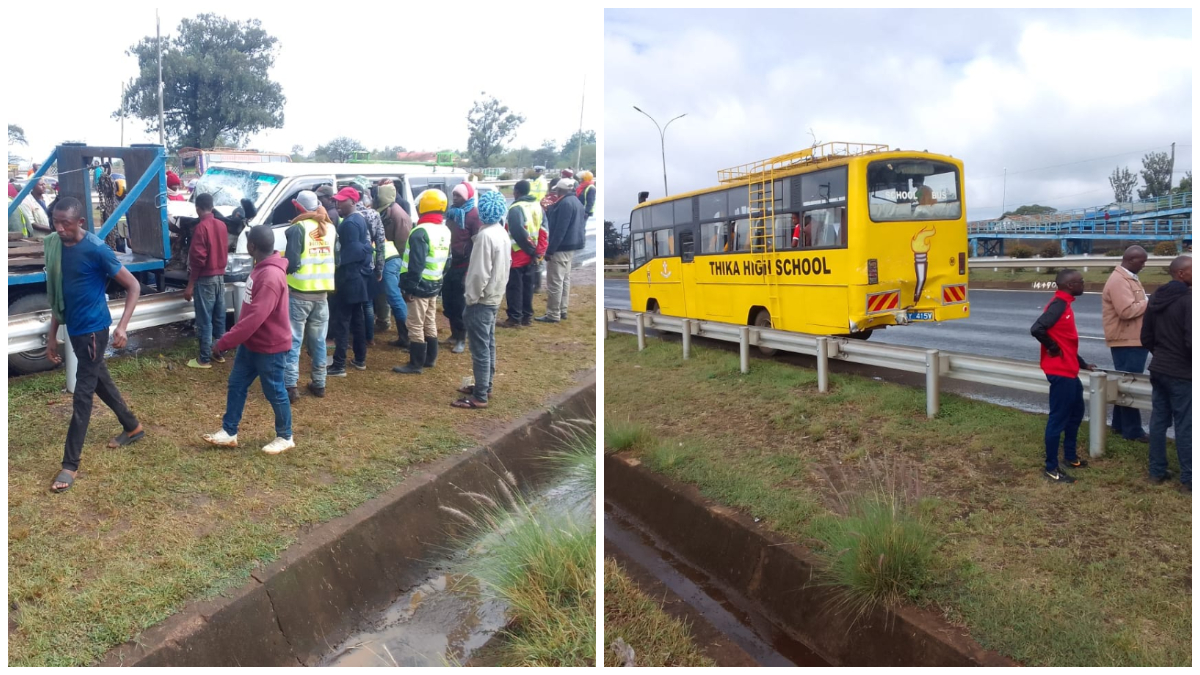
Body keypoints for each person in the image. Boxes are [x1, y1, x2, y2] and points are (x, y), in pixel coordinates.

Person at [44, 197, 145, 492]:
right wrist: (53, 335)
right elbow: (58, 294)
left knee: (83, 395)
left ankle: (69, 465)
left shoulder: (96, 249)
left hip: (92, 332)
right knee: (99, 379)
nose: (59, 228)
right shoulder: (56, 246)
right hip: (74, 329)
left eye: (65, 223)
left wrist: (123, 326)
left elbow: (134, 286)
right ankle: (133, 427)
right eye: (55, 222)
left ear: (81, 223)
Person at [203, 225, 295, 455]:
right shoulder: (261, 268)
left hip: (270, 347)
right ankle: (229, 431)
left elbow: (254, 319)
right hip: (252, 344)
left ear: (253, 246)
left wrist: (224, 341)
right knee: (236, 384)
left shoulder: (270, 276)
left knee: (274, 391)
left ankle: (285, 436)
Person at [1030, 269, 1098, 484]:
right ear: (1070, 285)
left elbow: (1064, 340)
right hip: (1060, 372)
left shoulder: (1065, 304)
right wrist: (1051, 347)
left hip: (1069, 368)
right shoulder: (1059, 305)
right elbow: (1037, 329)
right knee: (1058, 419)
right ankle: (1051, 469)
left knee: (1076, 412)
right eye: (1081, 282)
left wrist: (1082, 363)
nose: (1084, 284)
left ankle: (1070, 457)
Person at [453, 190, 511, 409]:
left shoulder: (485, 237)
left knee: (480, 349)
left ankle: (480, 396)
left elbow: (478, 273)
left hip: (482, 300)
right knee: (489, 344)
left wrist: (471, 298)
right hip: (495, 296)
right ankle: (485, 385)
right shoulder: (501, 232)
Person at [1141, 255, 1191, 493]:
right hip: (1182, 372)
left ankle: (1156, 472)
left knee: (1158, 422)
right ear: (1181, 273)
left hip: (1159, 368)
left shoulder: (1156, 297)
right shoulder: (1189, 300)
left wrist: (1161, 354)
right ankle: (1189, 479)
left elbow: (1146, 337)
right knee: (1186, 425)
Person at [284, 190, 336, 400]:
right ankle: (319, 383)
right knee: (319, 341)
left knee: (294, 340)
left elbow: (293, 262)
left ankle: (290, 386)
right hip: (322, 295)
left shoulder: (298, 228)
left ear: (298, 206)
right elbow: (336, 259)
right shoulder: (330, 228)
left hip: (299, 295)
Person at [394, 189, 451, 375]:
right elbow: (448, 260)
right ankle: (430, 358)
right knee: (429, 321)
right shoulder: (444, 230)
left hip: (419, 286)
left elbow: (416, 264)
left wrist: (409, 288)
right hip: (435, 283)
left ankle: (415, 363)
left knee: (415, 324)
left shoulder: (420, 231)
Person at [1101, 245, 1150, 442]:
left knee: (1123, 383)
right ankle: (1133, 431)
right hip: (1126, 339)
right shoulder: (1119, 280)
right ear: (1131, 260)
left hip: (1131, 338)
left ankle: (1119, 426)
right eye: (1142, 262)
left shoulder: (1127, 277)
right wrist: (1150, 302)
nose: (1144, 265)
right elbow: (1126, 311)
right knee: (1130, 386)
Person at [327, 187, 373, 376]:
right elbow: (365, 247)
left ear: (353, 202)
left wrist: (338, 266)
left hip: (349, 277)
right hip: (358, 277)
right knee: (357, 319)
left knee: (342, 322)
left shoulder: (349, 224)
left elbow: (353, 251)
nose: (338, 203)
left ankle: (339, 365)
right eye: (337, 200)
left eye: (342, 200)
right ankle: (360, 359)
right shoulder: (358, 219)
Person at [184, 193, 229, 369]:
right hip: (220, 278)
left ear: (198, 208)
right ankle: (219, 353)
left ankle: (204, 359)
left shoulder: (201, 228)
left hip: (206, 279)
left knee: (205, 319)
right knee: (219, 317)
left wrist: (190, 285)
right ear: (212, 206)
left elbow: (198, 260)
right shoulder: (222, 225)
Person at [537, 178, 586, 323]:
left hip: (561, 247)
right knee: (565, 280)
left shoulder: (564, 203)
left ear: (559, 190)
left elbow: (560, 230)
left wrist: (550, 250)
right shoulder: (576, 201)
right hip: (571, 246)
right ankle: (562, 309)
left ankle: (553, 313)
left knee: (555, 282)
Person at [501, 180, 547, 328]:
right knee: (528, 286)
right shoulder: (538, 206)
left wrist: (531, 250)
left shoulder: (516, 208)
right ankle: (527, 316)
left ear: (517, 192)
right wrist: (538, 251)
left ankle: (515, 318)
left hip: (518, 252)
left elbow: (517, 232)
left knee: (515, 286)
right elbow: (545, 230)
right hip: (532, 254)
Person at [443, 182, 481, 353]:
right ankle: (453, 333)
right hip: (449, 263)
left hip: (464, 265)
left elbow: (476, 243)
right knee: (448, 300)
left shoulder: (473, 215)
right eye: (454, 195)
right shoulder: (452, 214)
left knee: (459, 303)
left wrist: (469, 270)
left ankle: (461, 338)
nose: (455, 198)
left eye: (458, 195)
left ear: (467, 197)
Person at [376, 180, 411, 349]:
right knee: (391, 297)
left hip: (393, 261)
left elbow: (403, 245)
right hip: (387, 260)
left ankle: (407, 336)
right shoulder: (386, 211)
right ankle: (402, 335)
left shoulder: (398, 215)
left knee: (395, 299)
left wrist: (403, 270)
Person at [351, 177, 386, 344]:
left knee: (355, 303)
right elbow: (380, 243)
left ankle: (356, 335)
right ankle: (370, 337)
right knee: (368, 302)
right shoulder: (374, 214)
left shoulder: (349, 215)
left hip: (353, 264)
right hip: (369, 263)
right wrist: (379, 269)